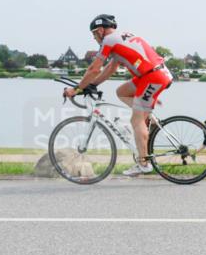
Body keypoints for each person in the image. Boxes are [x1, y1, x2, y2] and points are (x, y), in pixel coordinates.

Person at [63, 14, 173, 176]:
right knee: (121, 92)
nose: (94, 38)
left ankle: (143, 164)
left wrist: (77, 89)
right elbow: (111, 68)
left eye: (94, 34)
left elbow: (94, 68)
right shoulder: (122, 38)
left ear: (100, 30)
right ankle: (146, 116)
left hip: (151, 77)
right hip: (156, 74)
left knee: (135, 120)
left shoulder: (108, 41)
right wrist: (92, 85)